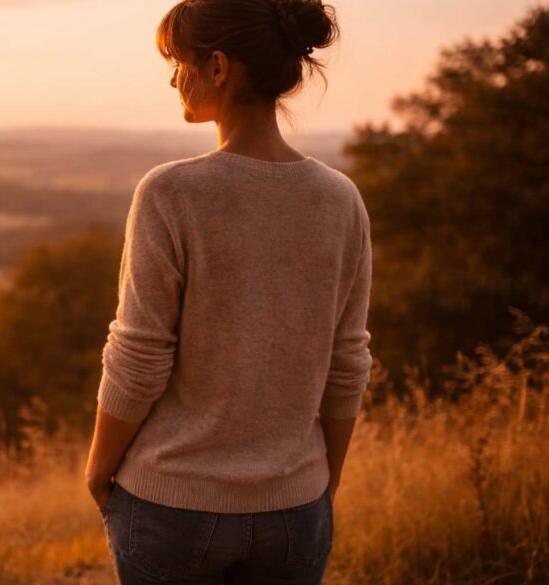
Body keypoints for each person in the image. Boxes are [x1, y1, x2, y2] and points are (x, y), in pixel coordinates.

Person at [83, 0, 372, 583]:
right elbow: (348, 363)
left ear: (218, 67)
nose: (173, 79)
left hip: (172, 508)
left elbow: (138, 359)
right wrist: (322, 480)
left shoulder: (171, 193)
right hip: (296, 512)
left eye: (178, 62)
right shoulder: (341, 200)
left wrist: (98, 468)